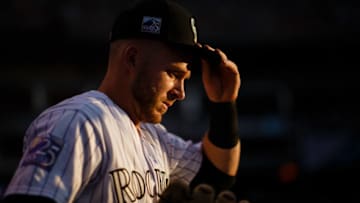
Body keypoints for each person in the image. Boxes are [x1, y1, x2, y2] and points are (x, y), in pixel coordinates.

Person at [1, 0, 241, 202]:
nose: (181, 92)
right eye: (174, 74)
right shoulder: (79, 121)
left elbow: (217, 175)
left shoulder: (154, 137)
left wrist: (223, 105)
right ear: (133, 58)